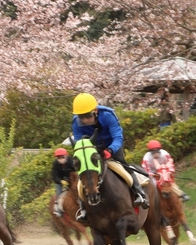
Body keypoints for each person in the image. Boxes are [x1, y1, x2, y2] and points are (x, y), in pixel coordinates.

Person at [71, 93, 150, 221]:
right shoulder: (76, 122)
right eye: (81, 117)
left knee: (123, 165)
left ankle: (139, 193)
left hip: (112, 145)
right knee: (84, 173)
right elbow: (80, 143)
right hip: (91, 149)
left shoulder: (107, 115)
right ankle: (83, 208)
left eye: (87, 116)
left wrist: (110, 150)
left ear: (95, 111)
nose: (85, 120)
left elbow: (118, 137)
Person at [51, 147, 75, 217]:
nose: (60, 159)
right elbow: (54, 176)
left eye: (62, 157)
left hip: (71, 178)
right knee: (59, 193)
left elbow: (75, 171)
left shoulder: (71, 161)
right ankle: (59, 210)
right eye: (58, 158)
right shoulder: (55, 164)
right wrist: (61, 181)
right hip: (60, 180)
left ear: (66, 156)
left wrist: (70, 180)